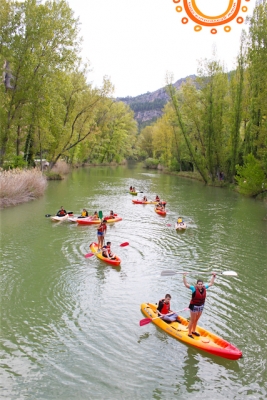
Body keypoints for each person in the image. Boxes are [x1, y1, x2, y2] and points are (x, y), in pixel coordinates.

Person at [183, 273, 216, 339]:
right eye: (199, 284)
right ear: (196, 284)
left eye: (201, 284)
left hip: (201, 306)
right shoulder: (193, 288)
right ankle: (189, 333)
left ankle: (194, 331)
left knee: (196, 320)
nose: (200, 285)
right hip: (193, 306)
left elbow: (211, 283)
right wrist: (184, 276)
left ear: (202, 284)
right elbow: (186, 284)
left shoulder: (204, 287)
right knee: (192, 320)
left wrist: (213, 276)